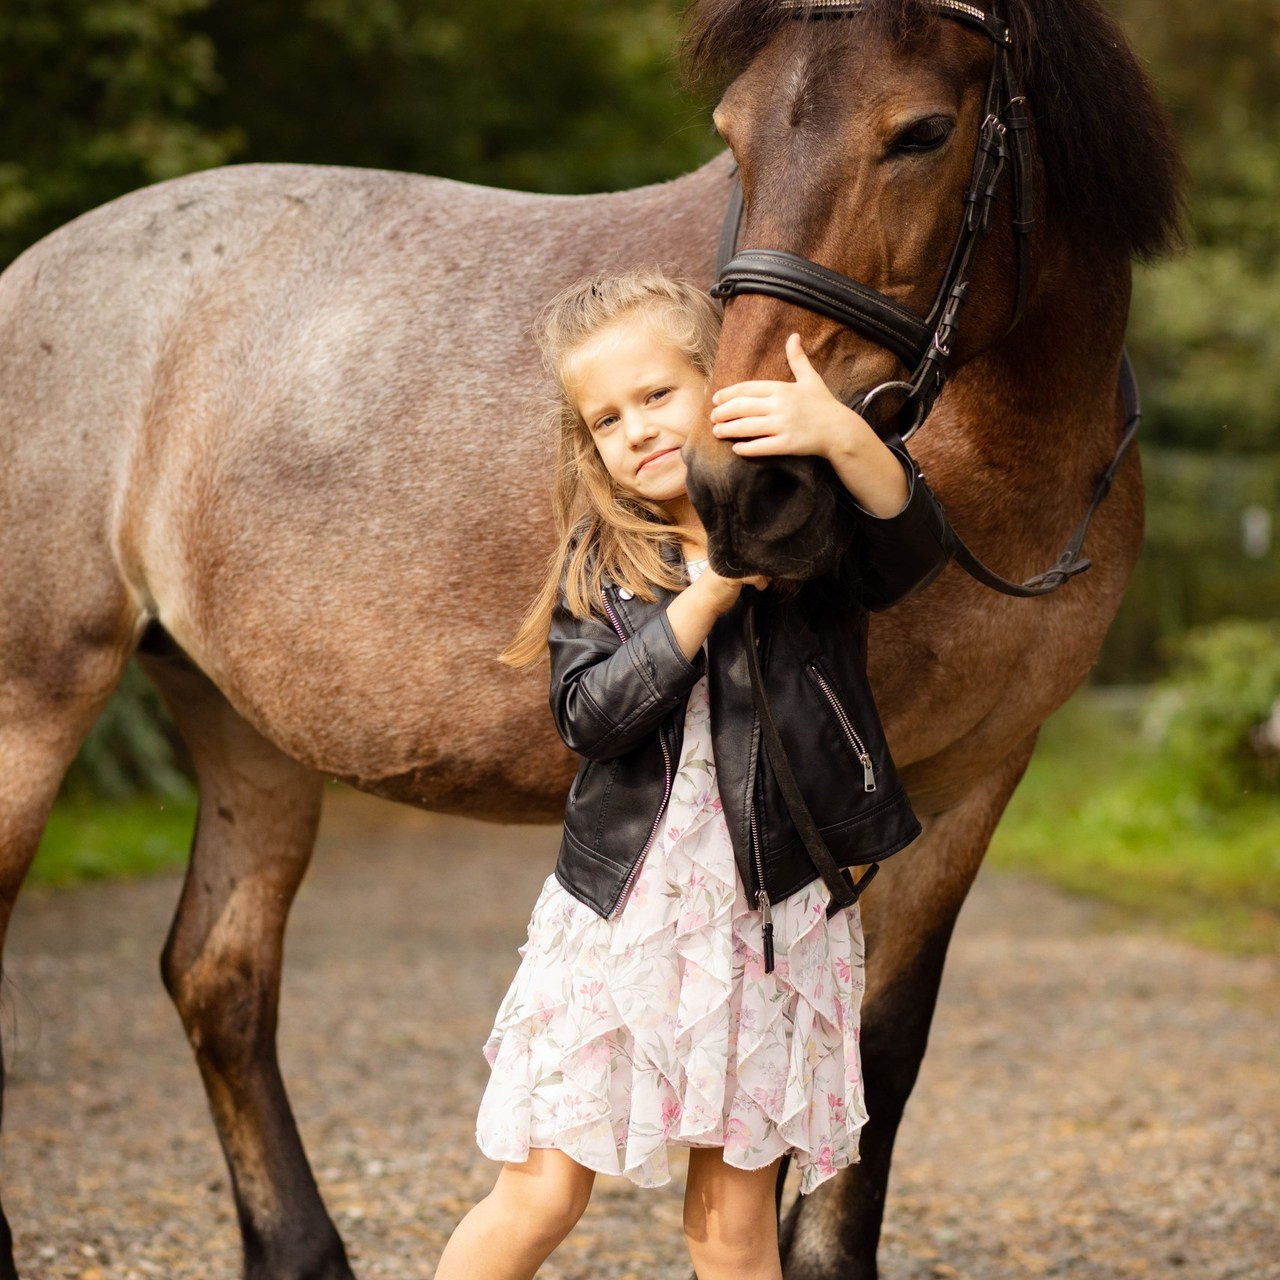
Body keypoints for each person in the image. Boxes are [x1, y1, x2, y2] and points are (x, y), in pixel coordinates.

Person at [433, 270, 951, 1280]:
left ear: (713, 384)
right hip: (625, 914)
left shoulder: (796, 514)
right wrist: (703, 596)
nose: (634, 429)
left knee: (730, 1220)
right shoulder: (604, 560)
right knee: (539, 1187)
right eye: (606, 417)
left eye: (656, 395)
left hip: (769, 916)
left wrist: (839, 433)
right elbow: (587, 715)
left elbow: (909, 555)